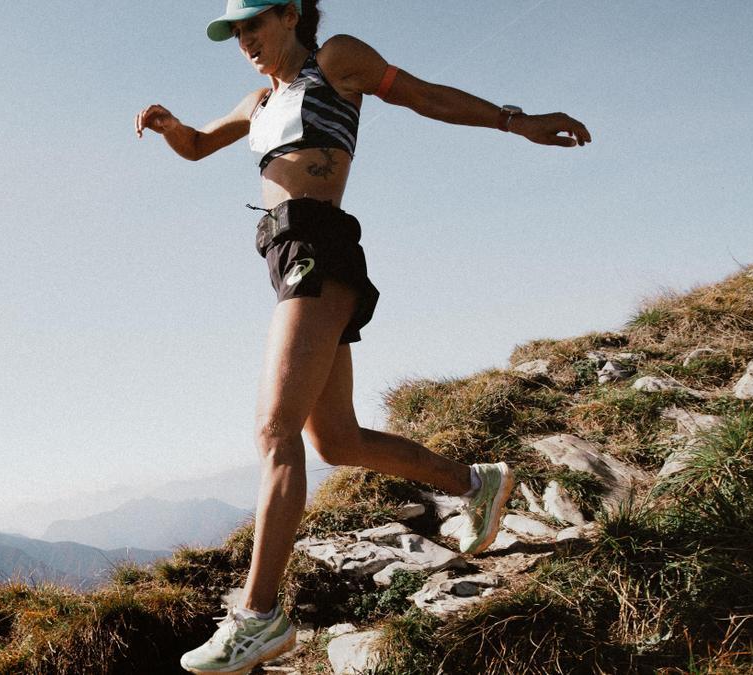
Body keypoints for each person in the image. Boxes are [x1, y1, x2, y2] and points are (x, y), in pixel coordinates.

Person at [135, 1, 591, 672]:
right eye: (235, 32)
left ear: (290, 13)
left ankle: (259, 617)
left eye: (253, 24)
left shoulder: (334, 61)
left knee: (275, 430)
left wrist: (514, 120)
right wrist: (172, 127)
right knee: (335, 440)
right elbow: (201, 145)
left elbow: (423, 95)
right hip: (287, 253)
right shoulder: (261, 100)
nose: (244, 41)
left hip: (318, 246)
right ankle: (476, 483)